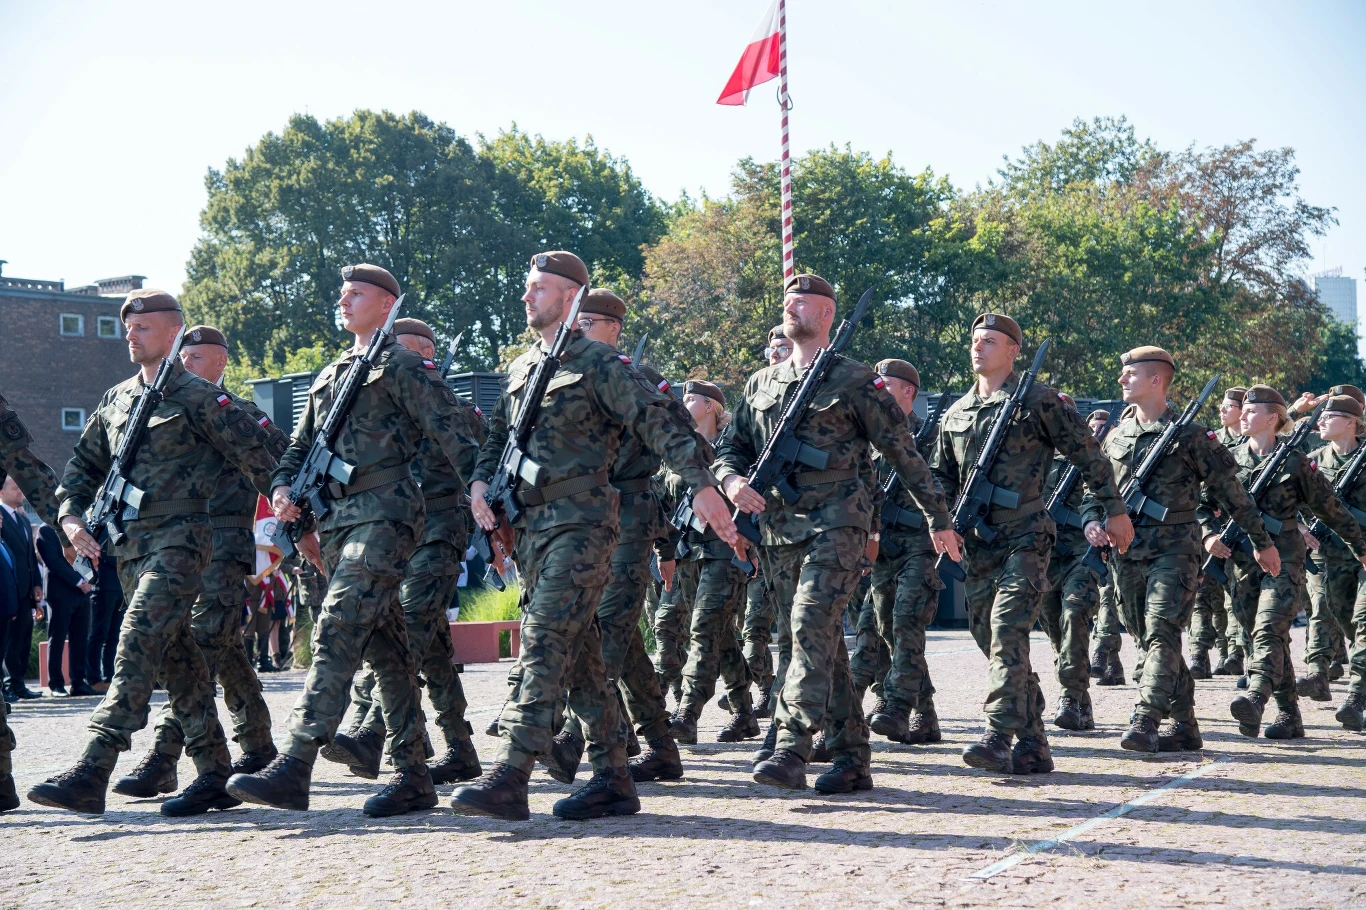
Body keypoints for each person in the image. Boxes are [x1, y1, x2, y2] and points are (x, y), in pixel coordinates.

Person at [454, 251, 736, 822]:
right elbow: (499, 439)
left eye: (539, 288)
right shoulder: (520, 368)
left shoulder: (599, 363)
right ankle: (613, 777)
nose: (527, 296)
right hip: (532, 526)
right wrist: (481, 483)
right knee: (582, 656)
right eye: (527, 287)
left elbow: (660, 420)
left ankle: (510, 774)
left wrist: (702, 483)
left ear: (570, 296)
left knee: (543, 638)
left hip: (583, 522)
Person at [228, 264, 478, 818]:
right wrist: (284, 490)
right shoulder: (330, 374)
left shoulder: (406, 367)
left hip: (387, 512)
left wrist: (483, 496)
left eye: (356, 293)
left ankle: (295, 761)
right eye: (341, 292)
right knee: (389, 651)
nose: (343, 299)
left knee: (338, 623)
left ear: (386, 304)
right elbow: (295, 450)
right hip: (337, 522)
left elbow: (455, 436)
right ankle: (413, 775)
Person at [30, 288, 284, 817]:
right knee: (181, 659)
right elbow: (80, 471)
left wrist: (294, 515)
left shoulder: (200, 400)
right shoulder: (116, 399)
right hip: (129, 548)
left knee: (138, 636)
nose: (131, 334)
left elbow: (266, 459)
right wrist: (72, 518)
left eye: (143, 327)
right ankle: (215, 772)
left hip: (185, 542)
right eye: (128, 326)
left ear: (172, 333)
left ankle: (93, 766)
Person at [717, 273, 958, 794]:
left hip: (838, 523)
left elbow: (903, 454)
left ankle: (791, 743)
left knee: (808, 626)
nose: (790, 307)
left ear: (827, 315)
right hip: (779, 531)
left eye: (802, 302)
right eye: (787, 301)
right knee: (820, 643)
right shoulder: (761, 384)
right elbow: (730, 448)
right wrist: (732, 482)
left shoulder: (854, 381)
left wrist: (938, 517)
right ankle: (851, 758)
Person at [930, 313, 1132, 775]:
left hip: (1025, 535)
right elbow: (939, 473)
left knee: (1006, 632)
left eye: (991, 342)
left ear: (1013, 351)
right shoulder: (957, 412)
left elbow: (1090, 456)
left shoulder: (1039, 402)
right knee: (991, 639)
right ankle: (1034, 740)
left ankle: (998, 735)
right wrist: (940, 519)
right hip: (978, 545)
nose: (979, 348)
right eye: (975, 340)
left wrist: (1114, 510)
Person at [114, 325, 287, 802]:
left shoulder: (240, 414)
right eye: (181, 357)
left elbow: (284, 460)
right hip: (172, 543)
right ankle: (257, 743)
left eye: (195, 358)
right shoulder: (160, 411)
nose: (185, 365)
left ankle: (165, 757)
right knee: (218, 648)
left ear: (220, 363)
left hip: (224, 540)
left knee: (202, 647)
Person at [322, 316, 487, 788]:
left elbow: (474, 458)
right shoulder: (370, 401)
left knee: (412, 624)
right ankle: (459, 748)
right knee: (428, 643)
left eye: (415, 351)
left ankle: (373, 731)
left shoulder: (457, 409)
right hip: (391, 531)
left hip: (438, 526)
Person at [543, 291, 692, 787]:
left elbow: (688, 440)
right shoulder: (565, 374)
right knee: (618, 639)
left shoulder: (639, 379)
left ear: (612, 327)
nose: (578, 329)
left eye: (586, 321)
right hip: (582, 514)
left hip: (629, 513)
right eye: (575, 321)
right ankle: (661, 747)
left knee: (607, 626)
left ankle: (574, 736)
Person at [1100, 351, 1272, 754]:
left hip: (1175, 551)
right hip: (1126, 553)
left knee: (1161, 632)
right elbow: (1098, 491)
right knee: (1147, 638)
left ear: (1157, 380)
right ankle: (1185, 724)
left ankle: (1146, 716)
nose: (1122, 379)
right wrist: (1095, 520)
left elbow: (1233, 494)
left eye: (1131, 374)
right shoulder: (1117, 436)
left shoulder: (1191, 436)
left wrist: (1262, 542)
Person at [1207, 386, 1366, 739]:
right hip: (1240, 562)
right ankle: (1290, 714)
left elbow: (1331, 510)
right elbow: (1203, 503)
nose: (1243, 415)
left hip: (1285, 560)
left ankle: (1256, 695)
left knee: (1269, 628)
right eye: (1243, 409)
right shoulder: (1228, 458)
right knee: (1263, 637)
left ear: (1272, 418)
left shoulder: (1295, 462)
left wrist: (1360, 547)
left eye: (1251, 410)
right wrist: (1208, 535)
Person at [666, 379, 759, 746]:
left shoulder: (730, 452)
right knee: (719, 637)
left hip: (725, 550)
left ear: (710, 407)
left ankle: (687, 713)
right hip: (689, 551)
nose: (682, 403)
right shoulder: (678, 451)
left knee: (704, 630)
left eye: (689, 399)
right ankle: (744, 713)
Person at [860, 360, 948, 745]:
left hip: (919, 547)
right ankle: (925, 715)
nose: (876, 390)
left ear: (908, 391)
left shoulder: (932, 437)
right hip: (877, 549)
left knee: (906, 621)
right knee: (884, 630)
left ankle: (896, 705)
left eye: (886, 385)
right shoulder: (868, 437)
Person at [1037, 393, 1106, 732]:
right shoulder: (1034, 455)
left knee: (1074, 614)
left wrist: (1093, 521)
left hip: (1080, 552)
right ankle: (1081, 700)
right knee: (1056, 632)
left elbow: (1107, 493)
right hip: (1042, 555)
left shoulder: (1089, 455)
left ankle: (1068, 696)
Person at [1297, 395, 1366, 704]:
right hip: (1326, 554)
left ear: (1352, 422)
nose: (1321, 421)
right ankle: (1319, 673)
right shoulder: (1313, 460)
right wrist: (1298, 527)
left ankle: (1356, 694)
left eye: (1330, 416)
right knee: (1332, 613)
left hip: (1363, 553)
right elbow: (1286, 499)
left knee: (1363, 620)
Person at [1189, 388, 1247, 679]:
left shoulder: (1256, 442)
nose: (1223, 411)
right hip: (1210, 529)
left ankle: (1234, 653)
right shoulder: (1212, 441)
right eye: (1222, 406)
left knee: (1233, 596)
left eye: (1229, 406)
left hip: (1240, 529)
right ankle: (1199, 655)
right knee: (1202, 595)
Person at [37, 523, 93, 696]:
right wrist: (79, 581)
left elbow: (87, 556)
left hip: (82, 593)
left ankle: (78, 682)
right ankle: (56, 684)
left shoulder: (78, 528)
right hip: (60, 592)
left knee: (80, 638)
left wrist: (89, 580)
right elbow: (54, 561)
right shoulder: (46, 530)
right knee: (58, 637)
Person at [1, 478, 42, 701]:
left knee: (23, 640)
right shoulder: (0, 518)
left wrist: (37, 584)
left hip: (26, 592)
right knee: (9, 641)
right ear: (1, 492)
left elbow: (29, 557)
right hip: (9, 592)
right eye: (15, 488)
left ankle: (19, 685)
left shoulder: (23, 520)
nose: (20, 492)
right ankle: (8, 685)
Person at [85, 556, 124, 691]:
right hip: (103, 586)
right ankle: (93, 679)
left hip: (120, 587)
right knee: (99, 634)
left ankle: (110, 677)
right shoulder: (104, 533)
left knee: (114, 636)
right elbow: (105, 552)